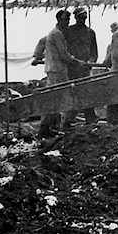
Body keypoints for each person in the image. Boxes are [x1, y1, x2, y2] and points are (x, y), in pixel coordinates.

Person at [39, 10, 87, 138]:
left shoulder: (54, 33)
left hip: (53, 69)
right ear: (60, 20)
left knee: (52, 97)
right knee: (67, 96)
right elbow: (64, 55)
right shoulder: (57, 34)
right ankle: (65, 124)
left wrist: (37, 56)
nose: (68, 23)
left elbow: (42, 42)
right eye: (66, 20)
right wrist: (78, 62)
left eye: (68, 20)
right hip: (58, 70)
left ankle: (47, 127)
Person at [63, 7, 99, 125]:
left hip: (85, 69)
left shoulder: (90, 32)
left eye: (84, 17)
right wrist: (74, 61)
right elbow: (65, 51)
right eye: (80, 17)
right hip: (72, 69)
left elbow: (94, 52)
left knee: (87, 92)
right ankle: (68, 120)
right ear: (75, 18)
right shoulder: (68, 31)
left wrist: (90, 61)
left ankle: (90, 117)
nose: (82, 20)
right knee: (72, 93)